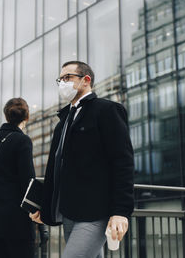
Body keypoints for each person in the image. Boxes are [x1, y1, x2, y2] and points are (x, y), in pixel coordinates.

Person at [30, 61, 135, 258]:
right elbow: (55, 170)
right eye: (60, 79)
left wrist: (121, 211)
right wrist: (45, 207)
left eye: (68, 77)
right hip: (69, 210)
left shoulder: (107, 110)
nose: (63, 83)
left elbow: (122, 161)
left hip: (96, 209)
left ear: (86, 80)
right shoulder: (62, 123)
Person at [0, 98, 36, 258]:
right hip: (15, 221)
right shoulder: (22, 141)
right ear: (27, 117)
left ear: (6, 115)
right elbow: (28, 182)